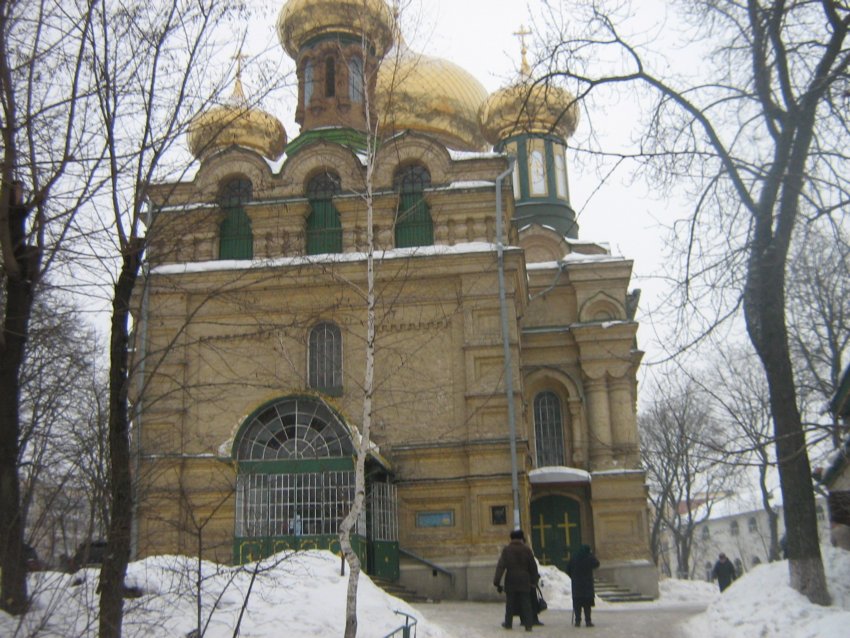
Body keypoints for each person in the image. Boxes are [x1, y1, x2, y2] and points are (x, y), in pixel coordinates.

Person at [494, 529, 539, 631]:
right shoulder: (527, 550)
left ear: (511, 538)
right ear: (521, 538)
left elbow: (501, 566)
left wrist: (497, 582)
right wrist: (534, 581)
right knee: (526, 603)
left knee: (510, 603)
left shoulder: (507, 550)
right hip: (524, 580)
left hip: (511, 579)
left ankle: (508, 623)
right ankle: (528, 625)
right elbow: (533, 567)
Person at [566, 544, 599, 628]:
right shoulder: (589, 557)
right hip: (587, 585)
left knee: (577, 604)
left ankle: (577, 621)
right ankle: (588, 621)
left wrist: (573, 577)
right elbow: (597, 564)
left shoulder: (574, 558)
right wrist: (591, 555)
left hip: (577, 585)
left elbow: (568, 570)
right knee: (587, 605)